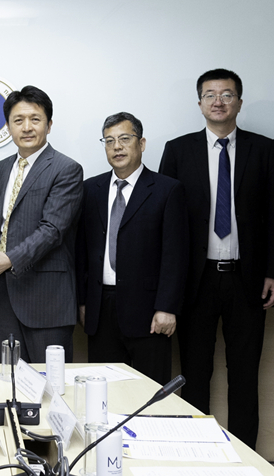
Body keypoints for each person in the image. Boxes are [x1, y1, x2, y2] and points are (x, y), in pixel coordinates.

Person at [158, 69, 274, 449]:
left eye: (227, 94)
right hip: (196, 280)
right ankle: (199, 453)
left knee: (245, 374)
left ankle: (245, 457)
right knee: (195, 373)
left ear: (239, 103)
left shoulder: (263, 149)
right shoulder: (178, 150)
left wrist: (273, 272)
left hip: (247, 278)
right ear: (199, 104)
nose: (218, 101)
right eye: (210, 95)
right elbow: (165, 221)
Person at [0, 85, 84, 363]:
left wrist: (9, 259)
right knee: (10, 377)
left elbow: (53, 229)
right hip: (4, 295)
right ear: (8, 127)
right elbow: (12, 218)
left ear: (49, 124)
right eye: (18, 120)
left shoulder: (66, 168)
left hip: (47, 297)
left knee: (51, 382)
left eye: (35, 119)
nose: (27, 127)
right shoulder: (3, 167)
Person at [76, 112, 187, 384]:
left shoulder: (167, 190)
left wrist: (167, 307)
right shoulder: (91, 189)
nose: (117, 147)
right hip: (100, 310)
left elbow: (175, 255)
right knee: (103, 392)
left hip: (150, 313)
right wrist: (83, 301)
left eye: (125, 138)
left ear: (142, 143)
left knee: (151, 393)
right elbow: (81, 250)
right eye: (109, 141)